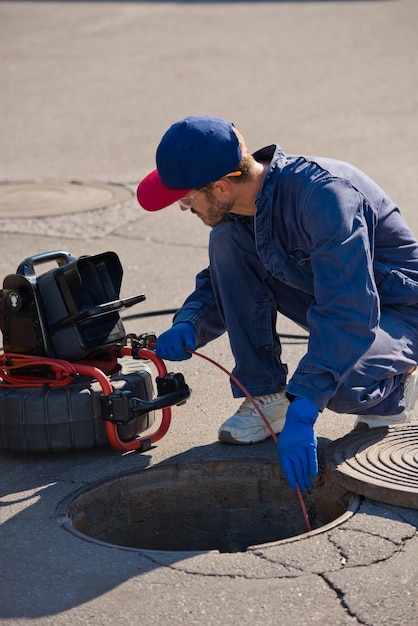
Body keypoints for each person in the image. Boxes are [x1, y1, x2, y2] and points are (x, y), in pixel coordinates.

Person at [137, 114, 418, 492]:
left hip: (398, 311)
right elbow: (228, 279)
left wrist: (305, 403)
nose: (183, 207)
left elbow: (349, 310)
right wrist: (191, 321)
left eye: (186, 197)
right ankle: (266, 395)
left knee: (336, 384)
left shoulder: (325, 197)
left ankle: (395, 390)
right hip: (338, 298)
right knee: (226, 240)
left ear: (220, 187)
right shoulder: (243, 203)